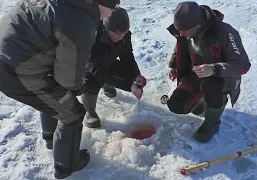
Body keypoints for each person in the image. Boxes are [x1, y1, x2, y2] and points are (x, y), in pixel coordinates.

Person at [0, 0, 120, 179]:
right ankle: (66, 167)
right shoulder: (81, 21)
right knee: (72, 113)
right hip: (18, 72)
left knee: (54, 96)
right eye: (113, 8)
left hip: (8, 59)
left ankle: (50, 138)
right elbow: (69, 80)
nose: (111, 14)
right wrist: (80, 87)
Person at [166, 2, 251, 142]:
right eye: (178, 29)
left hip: (220, 78)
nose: (180, 34)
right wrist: (174, 65)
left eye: (184, 30)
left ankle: (212, 122)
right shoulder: (184, 31)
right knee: (176, 105)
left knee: (212, 86)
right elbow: (179, 46)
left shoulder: (225, 32)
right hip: (194, 75)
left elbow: (243, 65)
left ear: (197, 25)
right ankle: (204, 104)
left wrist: (214, 69)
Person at [81, 7, 147, 128]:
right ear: (107, 28)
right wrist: (129, 86)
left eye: (124, 33)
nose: (121, 37)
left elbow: (127, 56)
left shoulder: (123, 35)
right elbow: (97, 70)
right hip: (86, 67)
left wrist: (136, 75)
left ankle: (108, 86)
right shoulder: (93, 36)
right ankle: (89, 112)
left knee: (120, 70)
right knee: (92, 81)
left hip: (108, 60)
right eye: (117, 33)